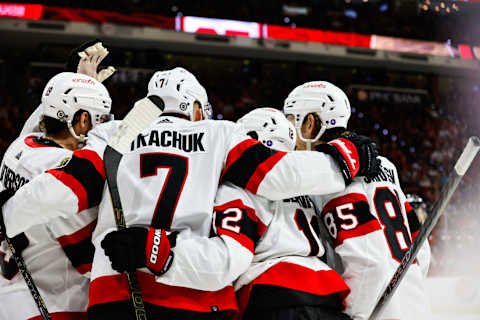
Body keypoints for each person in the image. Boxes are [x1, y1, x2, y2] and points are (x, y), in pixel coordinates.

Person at [3, 68, 379, 319]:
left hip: (114, 295)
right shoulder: (220, 135)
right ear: (197, 108)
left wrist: (6, 216)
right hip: (194, 299)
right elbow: (279, 175)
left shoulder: (114, 134)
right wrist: (345, 159)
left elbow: (60, 191)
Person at [283, 80, 431, 319]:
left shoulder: (326, 174)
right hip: (415, 301)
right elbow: (422, 251)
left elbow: (368, 264)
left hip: (373, 308)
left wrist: (353, 313)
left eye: (291, 121)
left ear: (310, 123)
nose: (288, 133)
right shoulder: (386, 165)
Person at [212, 107, 351, 320]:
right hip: (327, 292)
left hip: (272, 293)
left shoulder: (242, 185)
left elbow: (232, 253)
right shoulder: (309, 188)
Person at [0, 71, 112, 320]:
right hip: (53, 303)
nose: (104, 124)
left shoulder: (20, 146)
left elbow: (40, 119)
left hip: (9, 295)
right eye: (101, 118)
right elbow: (87, 261)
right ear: (84, 120)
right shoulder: (64, 171)